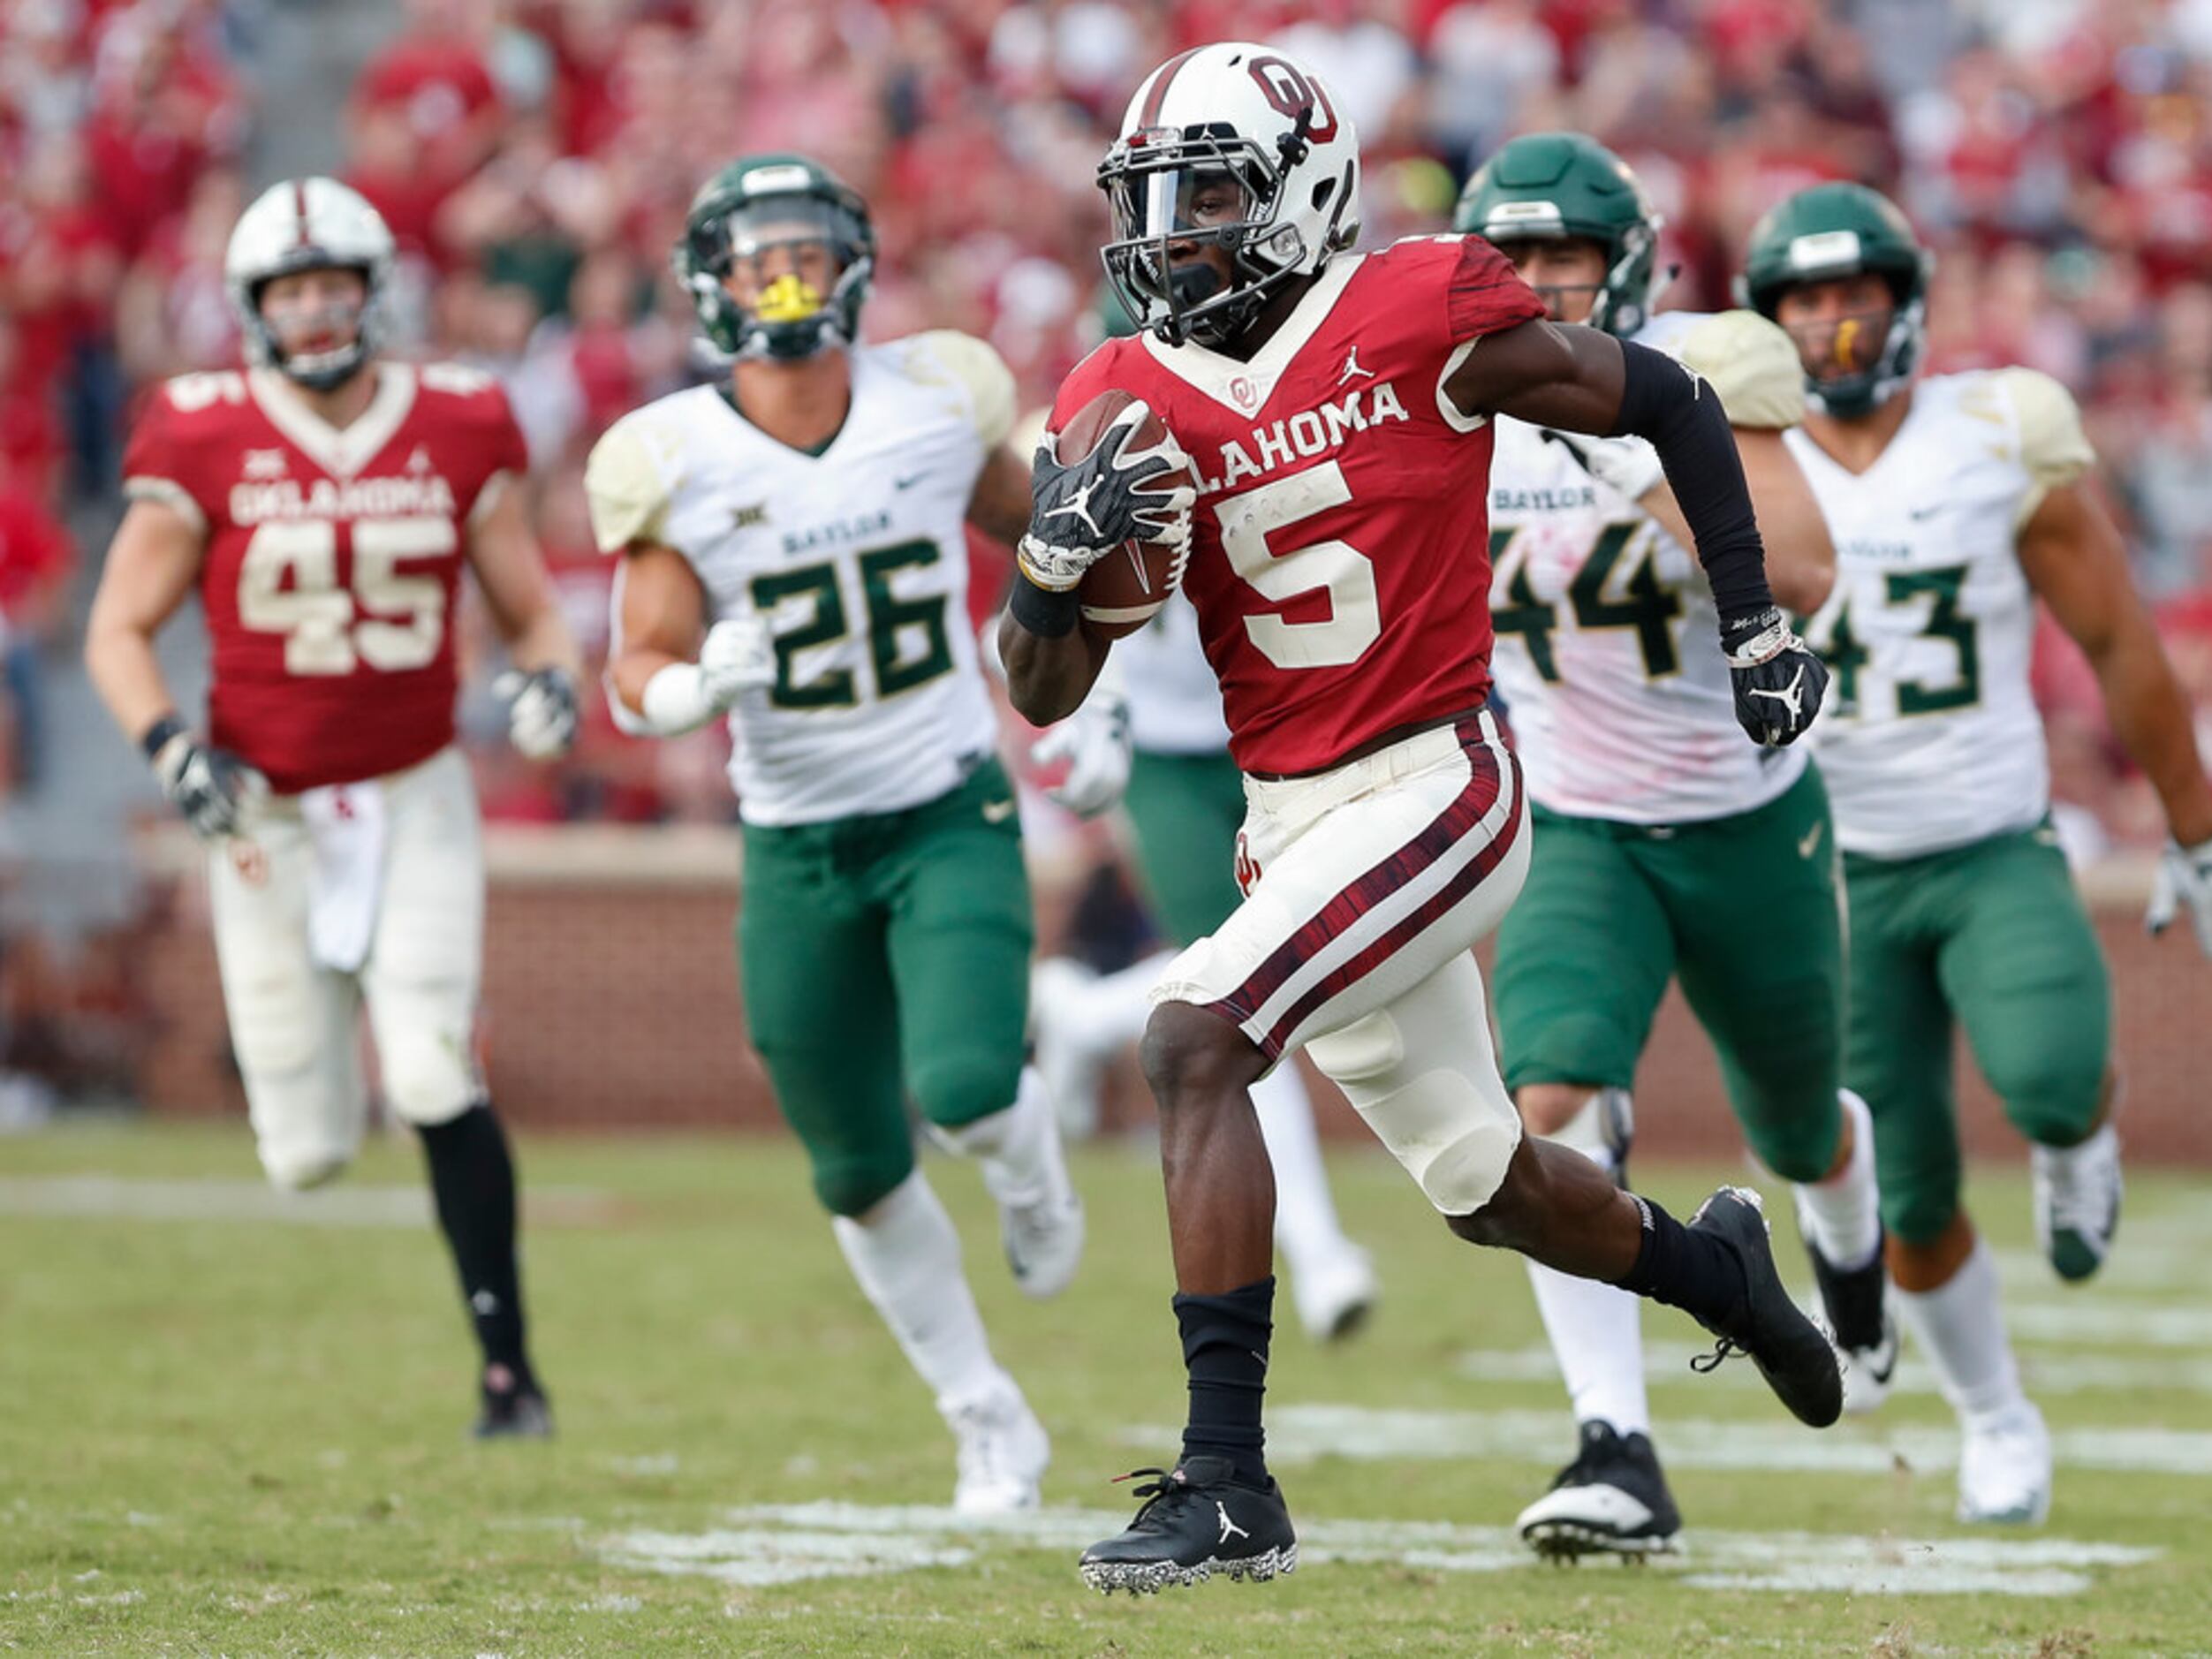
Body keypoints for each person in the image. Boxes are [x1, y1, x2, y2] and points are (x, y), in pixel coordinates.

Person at [999, 43, 1838, 1595]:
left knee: (1190, 1036)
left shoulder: (1418, 306)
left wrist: (1753, 627)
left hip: (1437, 779)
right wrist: (1046, 571)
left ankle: (1226, 1479)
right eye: (1153, 203)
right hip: (1289, 816)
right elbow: (1041, 687)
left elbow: (1665, 398)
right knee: (1491, 1184)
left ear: (1305, 194)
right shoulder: (1116, 390)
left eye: (1210, 199)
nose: (1171, 236)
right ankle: (1720, 1268)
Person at [1739, 182, 2212, 1525]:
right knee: (1903, 1190)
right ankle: (1994, 1418)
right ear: (1766, 319)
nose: (1832, 324)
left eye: (1852, 292)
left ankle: (2078, 1139)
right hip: (1829, 874)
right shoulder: (1734, 455)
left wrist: (2195, 825)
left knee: (2043, 1077)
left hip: (1986, 843)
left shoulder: (1991, 431)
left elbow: (2114, 638)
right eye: (1803, 299)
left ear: (1905, 299)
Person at [588, 154, 1082, 1513]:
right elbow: (636, 658)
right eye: (758, 260)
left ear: (857, 263)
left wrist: (1082, 693)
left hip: (940, 807)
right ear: (712, 284)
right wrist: (693, 689)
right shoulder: (670, 457)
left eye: (805, 250)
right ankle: (986, 1417)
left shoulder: (931, 402)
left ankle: (1032, 1169)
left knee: (974, 1083)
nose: (785, 279)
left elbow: (1052, 535)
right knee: (857, 1169)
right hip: (795, 839)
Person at [84, 178, 580, 1438]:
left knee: (428, 1069)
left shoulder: (461, 417)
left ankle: (508, 1375)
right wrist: (167, 746)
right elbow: (118, 628)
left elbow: (529, 611)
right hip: (266, 808)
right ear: (255, 308)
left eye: (333, 285)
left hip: (412, 788)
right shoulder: (197, 429)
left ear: (375, 293)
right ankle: (492, 1355)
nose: (314, 311)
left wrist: (547, 686)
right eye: (290, 291)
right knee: (301, 1144)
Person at [1456, 133, 1892, 1560]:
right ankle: (1614, 1442)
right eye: (1509, 263)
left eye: (1561, 264)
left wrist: (1607, 448)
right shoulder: (1444, 407)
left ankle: (1849, 1233)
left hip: (1743, 814)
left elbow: (1805, 564)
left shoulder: (1685, 379)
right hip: (1577, 817)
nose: (1533, 289)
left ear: (1622, 269)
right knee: (1551, 1101)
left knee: (1793, 1119)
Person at [1030, 589, 1382, 1344]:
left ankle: (1083, 1015)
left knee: (1314, 964)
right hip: (1171, 755)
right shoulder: (1102, 466)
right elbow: (1051, 577)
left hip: (1295, 733)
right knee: (1244, 1000)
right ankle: (1319, 1255)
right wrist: (1093, 705)